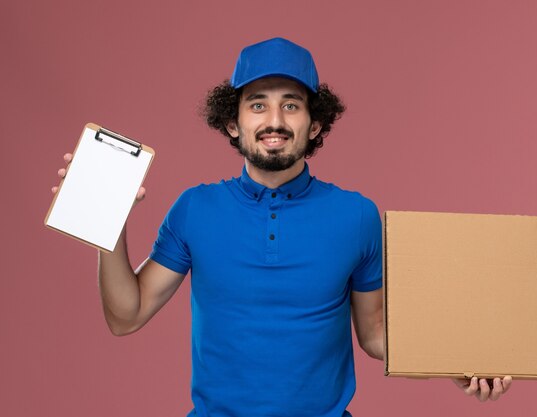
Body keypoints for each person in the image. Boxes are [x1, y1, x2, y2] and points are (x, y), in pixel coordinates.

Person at [52, 37, 512, 417]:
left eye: (291, 106)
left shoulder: (357, 215)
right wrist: (105, 223)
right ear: (232, 123)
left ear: (315, 125)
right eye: (258, 105)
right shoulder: (195, 208)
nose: (275, 121)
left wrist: (456, 360)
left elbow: (374, 334)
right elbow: (125, 316)